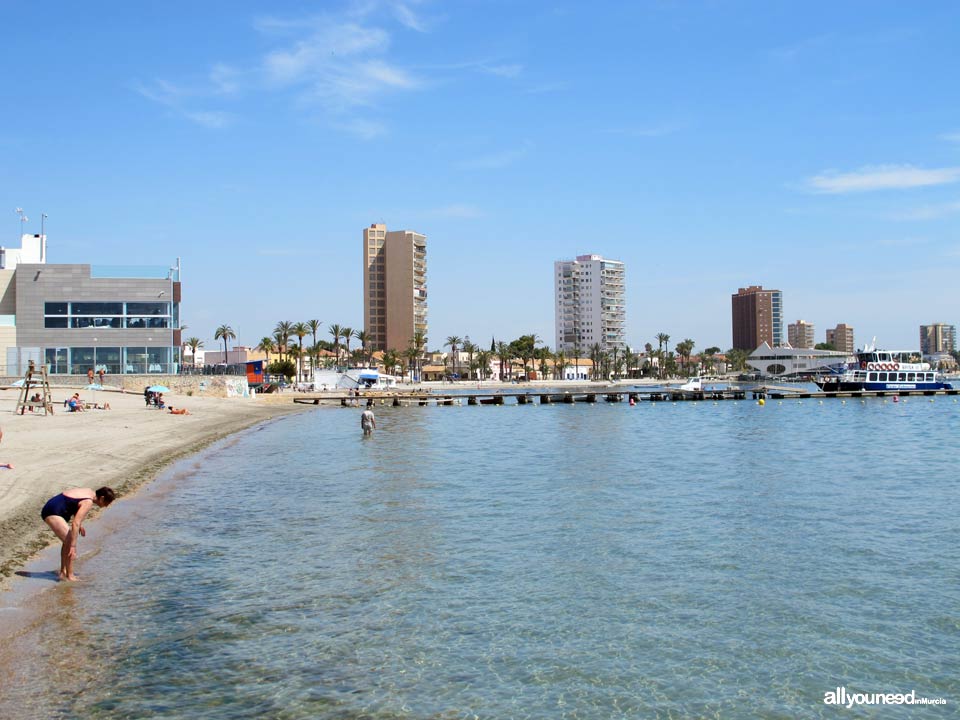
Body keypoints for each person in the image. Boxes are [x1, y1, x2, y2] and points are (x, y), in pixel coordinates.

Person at [40, 486, 116, 581]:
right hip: (53, 512)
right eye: (107, 503)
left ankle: (63, 572)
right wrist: (73, 546)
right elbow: (75, 523)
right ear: (102, 498)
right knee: (70, 541)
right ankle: (70, 575)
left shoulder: (89, 491)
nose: (107, 506)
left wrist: (79, 525)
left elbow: (75, 503)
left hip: (51, 506)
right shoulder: (88, 502)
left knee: (67, 540)